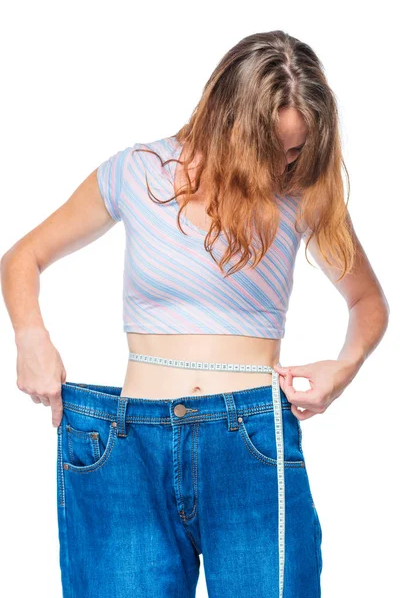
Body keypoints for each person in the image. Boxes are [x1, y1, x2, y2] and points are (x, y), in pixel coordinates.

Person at [0, 30, 389, 598]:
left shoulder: (302, 192)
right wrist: (30, 337)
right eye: (277, 147)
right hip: (126, 447)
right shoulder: (137, 172)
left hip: (251, 441)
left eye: (300, 149)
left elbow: (367, 301)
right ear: (230, 122)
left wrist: (345, 366)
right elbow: (22, 258)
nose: (288, 162)